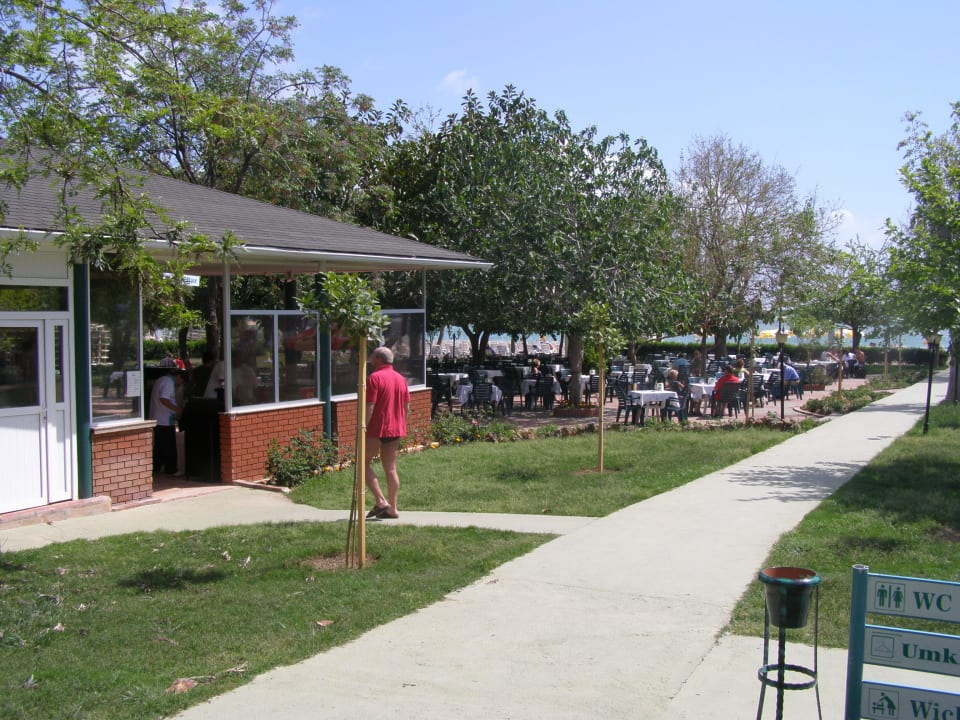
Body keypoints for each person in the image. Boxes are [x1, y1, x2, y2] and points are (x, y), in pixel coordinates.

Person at [364, 346, 411, 520]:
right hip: (395, 429)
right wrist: (401, 424)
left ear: (378, 359)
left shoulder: (374, 378)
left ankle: (381, 501)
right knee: (390, 468)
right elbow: (407, 407)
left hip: (377, 428)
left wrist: (363, 427)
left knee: (363, 464)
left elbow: (370, 405)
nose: (369, 359)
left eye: (371, 356)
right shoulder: (401, 379)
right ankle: (393, 508)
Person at [149, 360, 184, 475]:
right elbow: (164, 399)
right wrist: (176, 409)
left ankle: (156, 466)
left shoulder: (161, 380)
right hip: (164, 418)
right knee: (169, 445)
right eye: (181, 380)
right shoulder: (168, 382)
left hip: (158, 417)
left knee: (159, 444)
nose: (180, 383)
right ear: (178, 376)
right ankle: (171, 469)